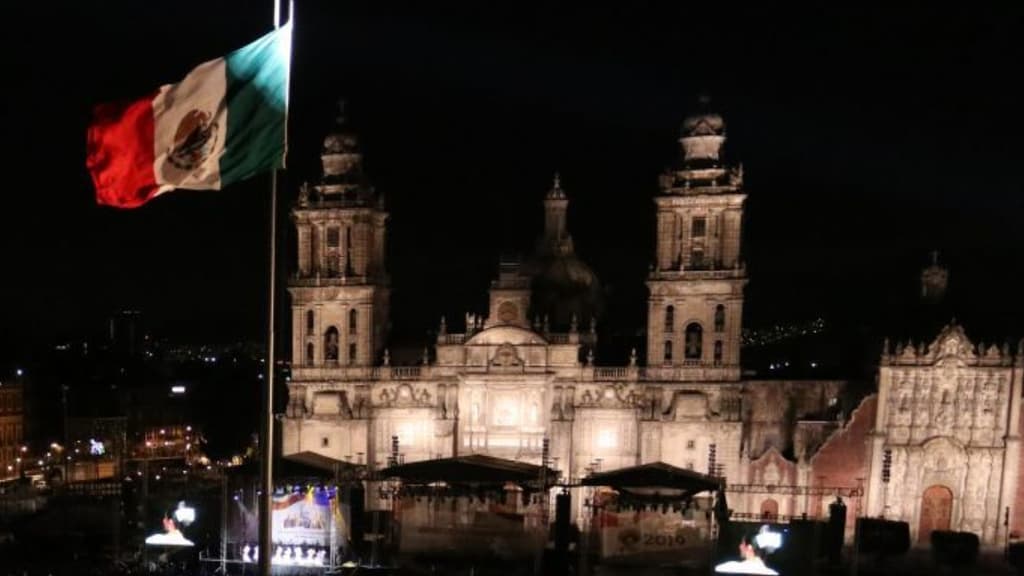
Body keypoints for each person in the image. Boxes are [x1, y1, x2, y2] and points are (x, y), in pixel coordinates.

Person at [714, 527, 779, 575]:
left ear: (749, 547)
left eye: (742, 543)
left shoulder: (728, 568)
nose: (740, 546)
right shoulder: (773, 573)